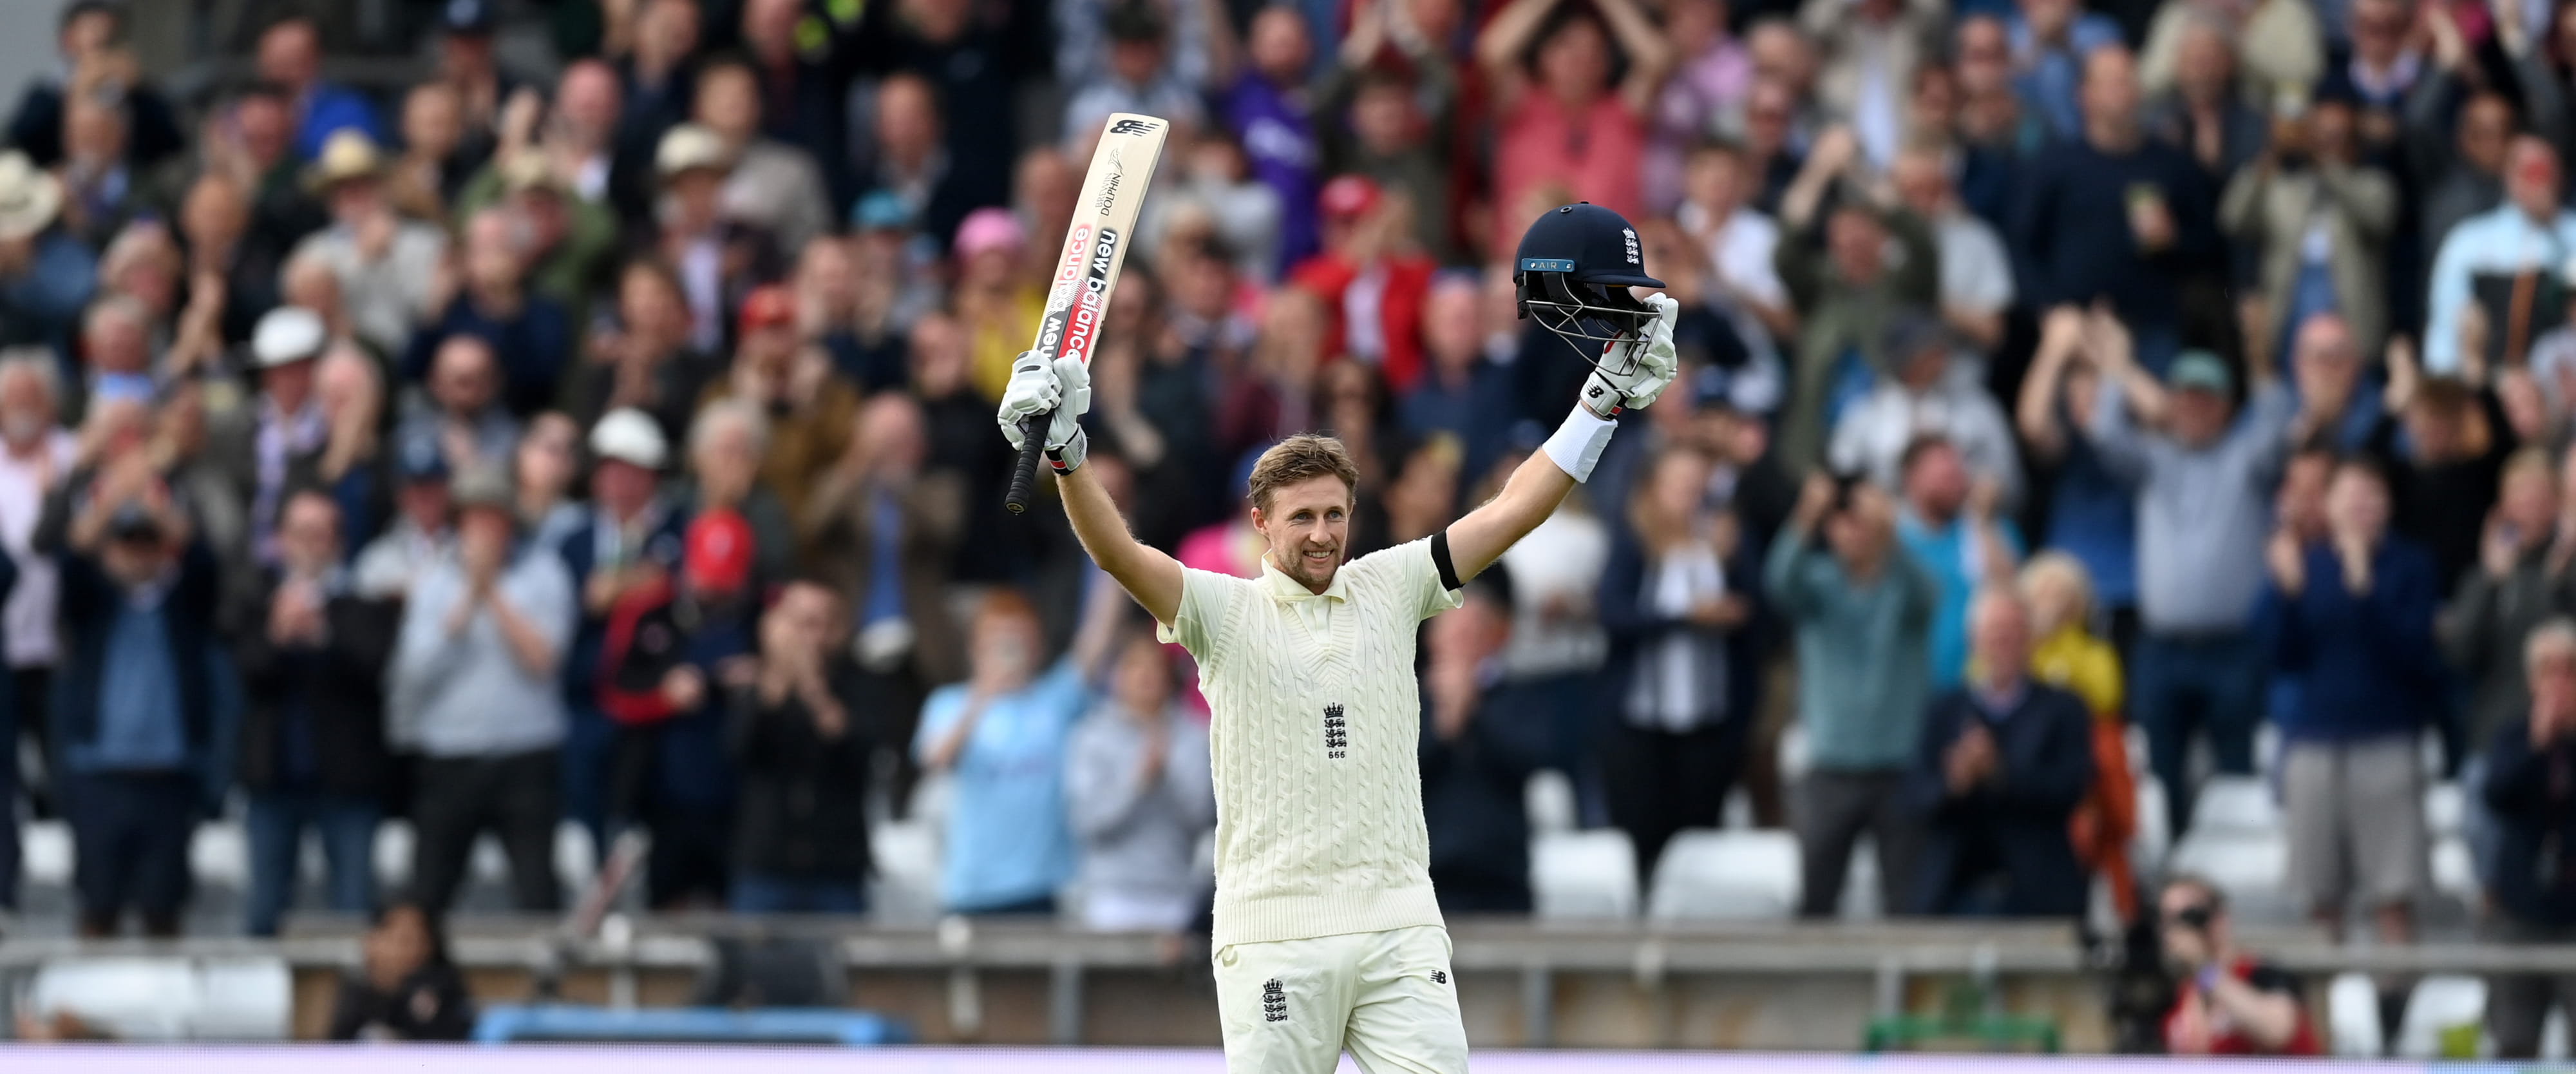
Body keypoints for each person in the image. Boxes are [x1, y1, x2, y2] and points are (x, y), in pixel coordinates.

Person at [1003, 200, 1680, 1070]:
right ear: (1260, 521)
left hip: (1398, 921)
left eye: (1335, 513)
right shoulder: (1223, 609)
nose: (1322, 532)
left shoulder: (1391, 585)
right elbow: (1117, 551)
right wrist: (1067, 455)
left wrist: (1603, 400)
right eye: (1302, 518)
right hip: (1275, 929)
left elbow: (1514, 508)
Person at [2086, 345, 2295, 834]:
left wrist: (2262, 364)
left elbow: (2278, 429)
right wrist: (2117, 371)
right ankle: (2172, 884)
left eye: (2207, 400)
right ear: (2170, 404)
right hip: (2161, 647)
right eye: (2186, 399)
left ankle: (2228, 882)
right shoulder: (2153, 459)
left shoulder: (2247, 460)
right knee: (2161, 776)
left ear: (2226, 407)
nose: (2195, 409)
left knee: (2237, 772)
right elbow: (2105, 433)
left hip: (2233, 646)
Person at [2262, 458, 2437, 1002]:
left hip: (2385, 739)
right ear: (2330, 506)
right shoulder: (2307, 564)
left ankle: (2396, 1016)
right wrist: (2285, 590)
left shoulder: (2411, 565)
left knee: (2393, 891)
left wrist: (2365, 588)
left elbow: (2415, 655)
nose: (2361, 506)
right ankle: (2322, 1021)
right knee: (2320, 894)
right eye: (2350, 495)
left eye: (2372, 495)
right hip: (2314, 740)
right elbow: (2276, 654)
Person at [389, 466, 576, 916]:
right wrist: (467, 599)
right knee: (429, 891)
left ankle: (545, 984)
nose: (485, 530)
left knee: (537, 893)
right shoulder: (434, 580)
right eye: (474, 519)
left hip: (526, 754)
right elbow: (416, 669)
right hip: (450, 756)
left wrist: (492, 592)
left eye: (494, 519)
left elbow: (543, 660)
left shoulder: (544, 574)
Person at [50, 448, 218, 939]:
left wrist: (153, 496)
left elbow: (203, 559)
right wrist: (113, 495)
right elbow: (70, 558)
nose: (137, 555)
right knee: (97, 903)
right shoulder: (95, 607)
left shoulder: (182, 605)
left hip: (168, 772)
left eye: (147, 545)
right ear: (110, 549)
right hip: (99, 771)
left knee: (163, 906)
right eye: (127, 544)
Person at [1767, 471, 1941, 917]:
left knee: (1907, 899)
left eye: (1861, 519)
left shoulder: (1902, 582)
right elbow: (1778, 580)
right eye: (1844, 519)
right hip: (1831, 765)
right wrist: (1808, 513)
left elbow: (1927, 595)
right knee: (1816, 897)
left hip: (1898, 764)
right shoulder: (1819, 584)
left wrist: (1892, 533)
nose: (1855, 528)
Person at [233, 492, 396, 937]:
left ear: (340, 542)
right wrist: (278, 634)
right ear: (282, 540)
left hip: (346, 783)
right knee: (264, 907)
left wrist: (323, 633)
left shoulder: (364, 601)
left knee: (353, 908)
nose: (312, 544)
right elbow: (248, 672)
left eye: (322, 534)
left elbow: (373, 670)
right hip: (273, 780)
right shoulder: (256, 598)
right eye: (301, 533)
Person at [1598, 444, 1754, 882]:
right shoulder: (1634, 540)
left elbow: (1758, 613)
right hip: (1640, 720)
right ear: (1653, 490)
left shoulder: (1723, 539)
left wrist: (1736, 562)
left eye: (1698, 489)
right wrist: (1683, 617)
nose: (1690, 499)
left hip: (1706, 720)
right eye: (1679, 487)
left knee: (1698, 839)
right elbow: (1613, 613)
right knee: (1641, 837)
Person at [1906, 589, 2095, 917]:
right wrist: (1955, 781)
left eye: (2014, 631)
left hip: (2039, 889)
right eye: (1995, 632)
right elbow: (1913, 796)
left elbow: (2072, 787)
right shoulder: (1944, 710)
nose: (2004, 641)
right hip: (1952, 890)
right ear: (1974, 640)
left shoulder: (2064, 707)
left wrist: (1999, 774)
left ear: (2030, 639)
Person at [913, 590, 1098, 917]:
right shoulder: (949, 702)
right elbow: (935, 760)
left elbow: (1098, 641)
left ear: (1038, 647)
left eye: (1018, 640)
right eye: (998, 640)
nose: (1008, 650)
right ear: (975, 647)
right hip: (970, 888)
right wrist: (982, 696)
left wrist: (1113, 559)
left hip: (1039, 886)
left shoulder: (1054, 700)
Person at [727, 579, 876, 914]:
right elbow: (740, 750)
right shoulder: (756, 688)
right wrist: (777, 679)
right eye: (802, 624)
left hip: (836, 867)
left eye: (825, 624)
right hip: (766, 866)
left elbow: (861, 755)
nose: (813, 637)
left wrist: (814, 689)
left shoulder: (859, 683)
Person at [1418, 568, 1553, 915]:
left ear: (1496, 635)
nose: (1460, 641)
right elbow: (1394, 771)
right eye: (1451, 630)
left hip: (1501, 877)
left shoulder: (1515, 697)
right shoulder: (1408, 700)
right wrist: (1444, 727)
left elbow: (1528, 758)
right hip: (1425, 881)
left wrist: (1473, 709)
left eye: (1471, 631)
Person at [1068, 630, 1217, 931]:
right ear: (1116, 675)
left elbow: (1202, 819)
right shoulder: (1091, 737)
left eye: (1155, 667)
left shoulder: (1193, 735)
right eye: (1135, 665)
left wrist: (1166, 781)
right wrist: (1137, 783)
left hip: (1176, 891)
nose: (1146, 676)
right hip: (1111, 894)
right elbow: (1087, 821)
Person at [2481, 619, 2576, 1057]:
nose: (2558, 681)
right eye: (2547, 669)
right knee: (2514, 1043)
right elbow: (2496, 793)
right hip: (2521, 911)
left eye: (2569, 669)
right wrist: (2538, 743)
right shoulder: (2512, 737)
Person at [2427, 136, 2576, 376]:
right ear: (2508, 175)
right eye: (2528, 171)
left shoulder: (2571, 235)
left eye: (2545, 170)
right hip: (2487, 381)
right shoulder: (2469, 241)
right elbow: (2446, 327)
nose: (2537, 182)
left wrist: (2551, 230)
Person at [2158, 875, 2323, 1055]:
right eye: (2170, 921)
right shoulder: (2176, 993)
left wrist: (2205, 969)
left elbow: (2277, 1031)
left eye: (2191, 917)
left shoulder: (2263, 973)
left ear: (2220, 919)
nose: (2181, 930)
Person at [325, 901, 475, 1042]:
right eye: (403, 941)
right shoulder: (355, 992)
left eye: (421, 940)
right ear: (371, 942)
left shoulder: (443, 991)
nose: (413, 951)